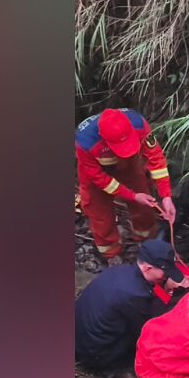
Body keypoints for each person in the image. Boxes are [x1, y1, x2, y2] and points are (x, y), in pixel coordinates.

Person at [75, 240, 189, 378]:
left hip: (78, 334)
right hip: (92, 353)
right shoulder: (135, 295)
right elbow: (149, 326)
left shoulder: (120, 270)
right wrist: (167, 291)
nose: (167, 277)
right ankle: (108, 367)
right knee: (150, 342)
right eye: (165, 273)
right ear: (148, 268)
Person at [76, 108, 177, 265]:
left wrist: (166, 196)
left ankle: (147, 242)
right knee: (99, 214)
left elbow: (156, 158)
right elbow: (99, 178)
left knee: (144, 205)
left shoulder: (139, 124)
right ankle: (111, 254)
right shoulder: (86, 141)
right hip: (96, 175)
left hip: (129, 163)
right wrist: (132, 196)